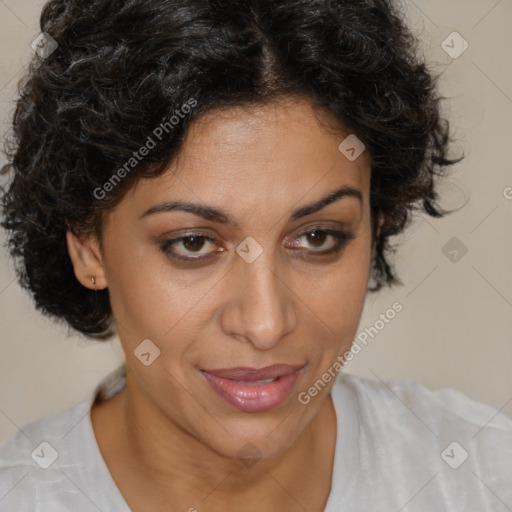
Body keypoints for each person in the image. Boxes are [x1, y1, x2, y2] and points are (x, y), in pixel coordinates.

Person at [0, 0, 510, 511]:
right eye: (193, 243)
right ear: (89, 247)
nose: (265, 325)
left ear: (375, 230)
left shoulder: (481, 475)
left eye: (317, 237)